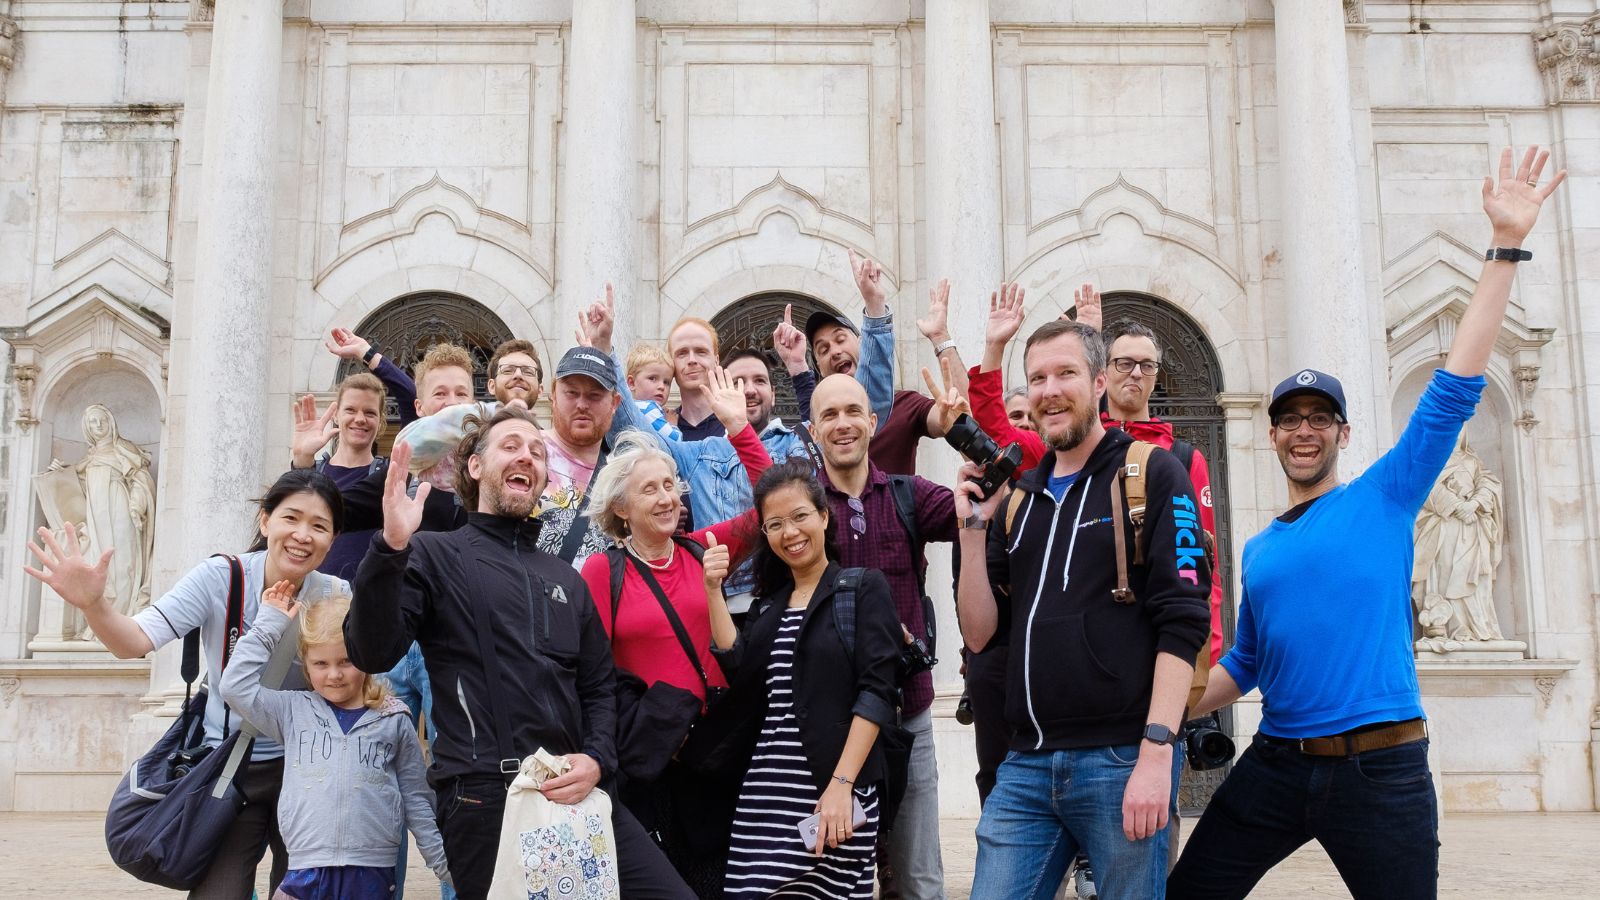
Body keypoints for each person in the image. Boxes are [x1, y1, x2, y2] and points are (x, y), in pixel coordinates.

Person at [1167, 148, 1565, 900]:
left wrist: (1505, 248)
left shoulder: (1385, 496)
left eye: (1321, 419)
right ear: (1274, 436)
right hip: (1278, 762)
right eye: (1291, 421)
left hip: (1382, 770)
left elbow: (1453, 388)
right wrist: (1172, 702)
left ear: (1343, 435)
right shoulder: (1260, 548)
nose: (1305, 431)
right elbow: (1247, 663)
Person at [345, 404, 694, 900]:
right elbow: (371, 651)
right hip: (486, 800)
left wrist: (596, 759)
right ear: (475, 466)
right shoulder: (434, 555)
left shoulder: (566, 580)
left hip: (577, 794)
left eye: (536, 451)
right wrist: (390, 547)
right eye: (510, 446)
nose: (526, 458)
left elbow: (598, 689)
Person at [954, 317, 1210, 900]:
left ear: (1099, 382)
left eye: (1065, 373)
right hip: (1025, 764)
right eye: (1037, 377)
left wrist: (1156, 752)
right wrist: (972, 533)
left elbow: (1184, 619)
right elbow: (979, 633)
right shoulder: (1019, 496)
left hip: (1122, 758)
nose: (1048, 391)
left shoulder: (1154, 472)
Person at [23, 469, 350, 899]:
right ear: (266, 521)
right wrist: (94, 603)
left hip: (310, 771)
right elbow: (135, 640)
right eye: (291, 518)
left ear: (333, 538)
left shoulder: (336, 593)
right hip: (229, 771)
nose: (303, 535)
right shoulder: (221, 578)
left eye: (319, 526)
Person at [577, 425, 770, 896]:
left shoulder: (703, 549)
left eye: (670, 486)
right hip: (653, 762)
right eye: (650, 489)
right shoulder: (604, 570)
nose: (667, 499)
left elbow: (773, 500)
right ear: (621, 508)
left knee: (719, 881)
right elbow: (591, 673)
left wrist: (740, 429)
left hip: (714, 754)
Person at [708, 460, 903, 899]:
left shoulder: (862, 588)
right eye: (775, 524)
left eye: (799, 516)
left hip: (830, 793)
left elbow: (876, 691)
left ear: (823, 516)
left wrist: (840, 786)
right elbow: (739, 670)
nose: (790, 532)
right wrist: (712, 590)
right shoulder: (769, 606)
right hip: (765, 798)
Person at [810, 370, 964, 900]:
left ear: (873, 422)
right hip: (829, 725)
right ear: (813, 430)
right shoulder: (802, 512)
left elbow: (986, 499)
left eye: (853, 411)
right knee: (829, 878)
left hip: (907, 716)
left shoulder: (909, 496)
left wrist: (962, 424)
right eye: (828, 415)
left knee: (917, 880)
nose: (843, 424)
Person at [220, 587, 450, 900]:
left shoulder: (394, 718)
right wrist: (268, 625)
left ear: (367, 654)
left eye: (346, 661)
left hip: (372, 873)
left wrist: (443, 865)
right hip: (303, 869)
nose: (334, 675)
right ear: (305, 662)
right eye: (320, 664)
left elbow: (416, 798)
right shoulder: (292, 711)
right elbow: (234, 687)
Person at [804, 253, 965, 475]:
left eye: (840, 339)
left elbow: (959, 415)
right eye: (823, 349)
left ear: (862, 343)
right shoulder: (819, 424)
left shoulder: (906, 404)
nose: (835, 351)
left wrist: (941, 338)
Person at [626, 341, 684, 441]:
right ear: (631, 383)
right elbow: (675, 440)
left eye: (666, 382)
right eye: (652, 378)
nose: (661, 386)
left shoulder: (631, 408)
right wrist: (672, 424)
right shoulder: (648, 408)